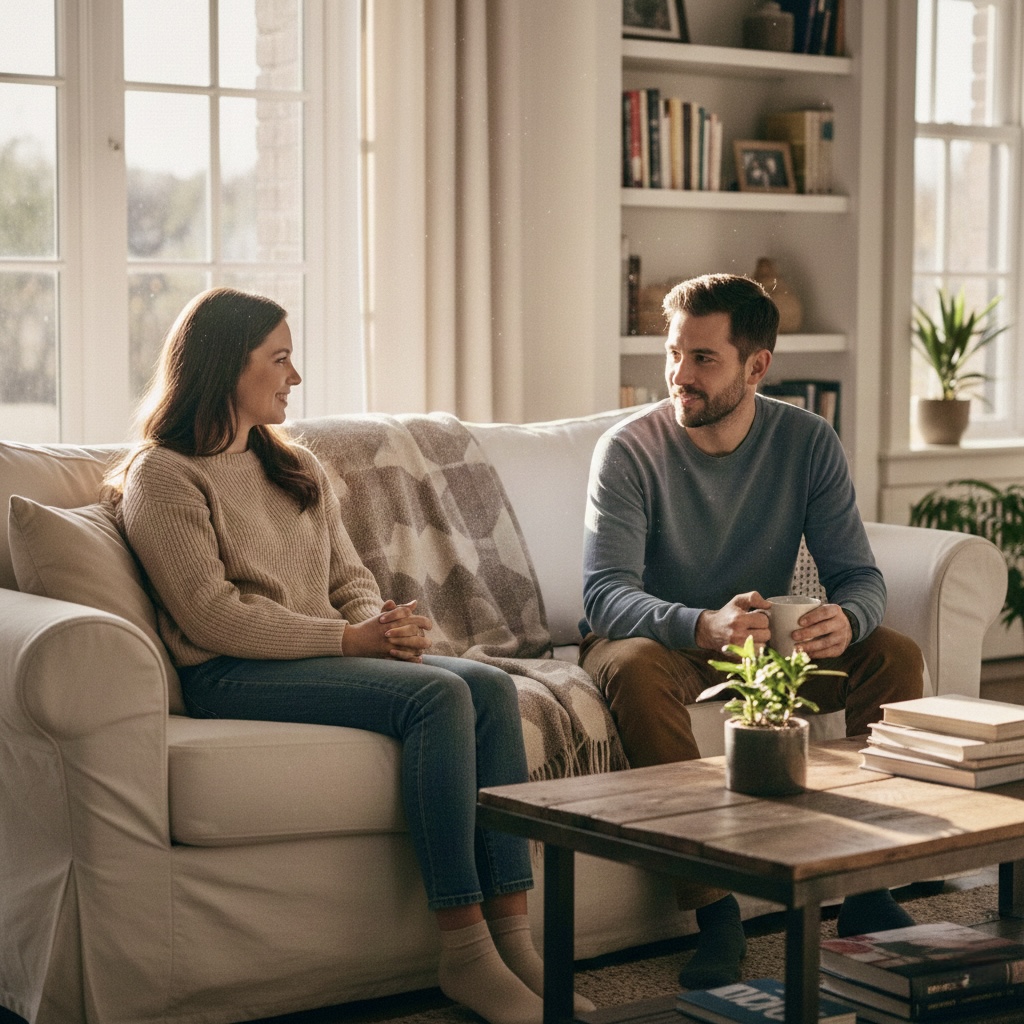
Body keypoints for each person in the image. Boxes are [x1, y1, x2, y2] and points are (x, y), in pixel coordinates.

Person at [107, 287, 592, 1024]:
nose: (294, 376)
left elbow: (348, 577)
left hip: (316, 653)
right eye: (279, 359)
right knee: (438, 696)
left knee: (488, 688)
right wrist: (346, 638)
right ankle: (464, 953)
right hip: (228, 672)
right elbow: (212, 615)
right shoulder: (164, 476)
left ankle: (513, 939)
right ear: (222, 367)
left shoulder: (290, 462)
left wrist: (383, 627)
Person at [579, 273, 925, 990]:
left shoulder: (806, 441)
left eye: (703, 358)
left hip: (765, 651)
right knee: (634, 666)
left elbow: (859, 575)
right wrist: (703, 625)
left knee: (894, 653)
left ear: (757, 366)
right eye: (674, 353)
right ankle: (715, 912)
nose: (680, 374)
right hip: (669, 644)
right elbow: (603, 596)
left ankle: (867, 888)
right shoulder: (628, 450)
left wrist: (846, 619)